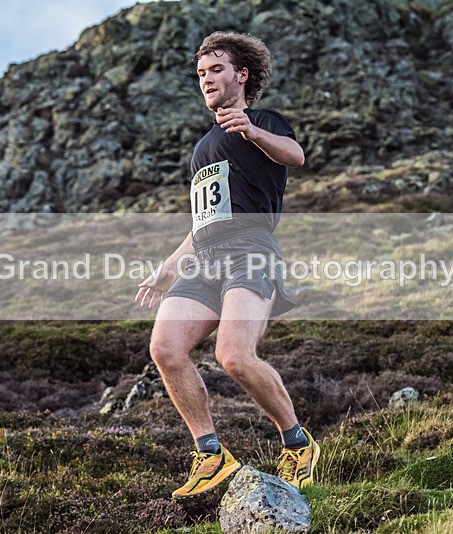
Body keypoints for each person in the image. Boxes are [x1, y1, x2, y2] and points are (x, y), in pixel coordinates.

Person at [134, 31, 319, 499]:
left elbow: (297, 157)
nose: (207, 79)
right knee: (165, 349)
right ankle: (211, 455)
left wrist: (253, 130)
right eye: (201, 73)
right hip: (206, 259)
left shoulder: (263, 121)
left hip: (251, 251)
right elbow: (203, 221)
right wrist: (169, 266)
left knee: (234, 357)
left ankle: (297, 444)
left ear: (242, 74)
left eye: (216, 69)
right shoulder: (202, 148)